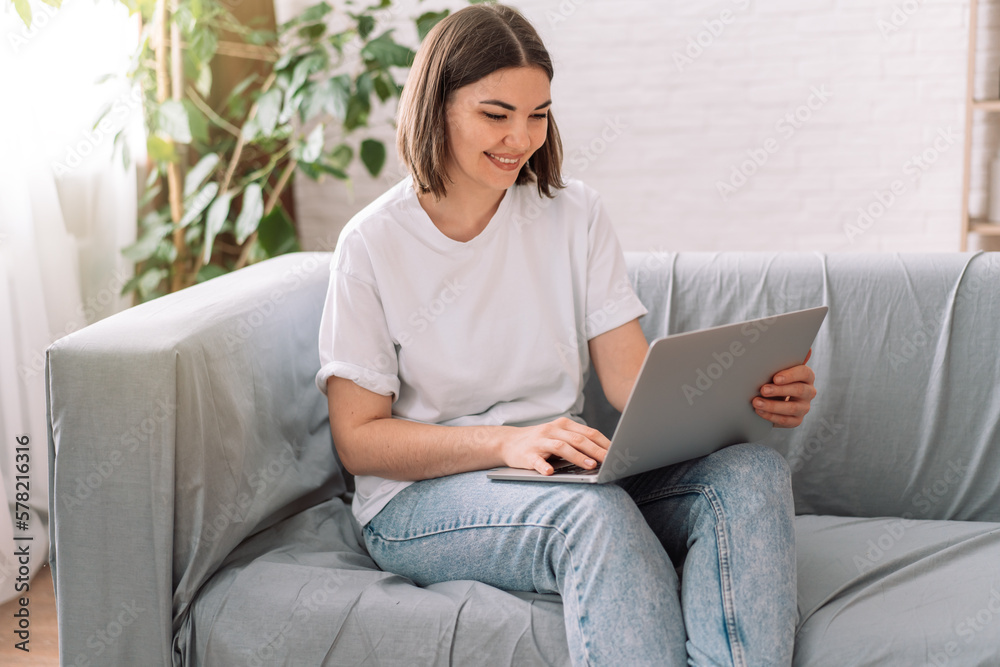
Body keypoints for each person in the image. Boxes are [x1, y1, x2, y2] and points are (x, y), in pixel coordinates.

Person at [316, 4, 817, 666]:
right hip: (419, 503)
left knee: (752, 473)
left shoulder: (574, 214)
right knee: (592, 515)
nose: (519, 138)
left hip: (563, 471)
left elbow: (627, 379)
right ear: (437, 106)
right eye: (496, 115)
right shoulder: (373, 244)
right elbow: (359, 439)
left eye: (538, 114)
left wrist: (744, 392)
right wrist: (507, 441)